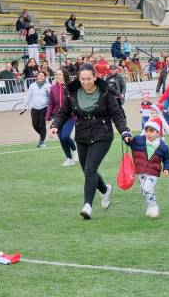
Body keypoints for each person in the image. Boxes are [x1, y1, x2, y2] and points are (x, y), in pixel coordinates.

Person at [49, 64, 132, 220]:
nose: (85, 82)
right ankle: (105, 189)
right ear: (78, 78)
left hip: (102, 135)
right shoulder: (72, 92)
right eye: (82, 79)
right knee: (87, 170)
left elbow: (117, 114)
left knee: (90, 169)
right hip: (82, 135)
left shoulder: (106, 93)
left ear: (95, 77)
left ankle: (87, 205)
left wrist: (124, 130)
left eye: (88, 78)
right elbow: (63, 112)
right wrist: (55, 125)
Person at [125, 118, 169, 218]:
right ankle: (150, 207)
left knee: (147, 188)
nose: (148, 133)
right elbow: (128, 140)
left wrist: (167, 168)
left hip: (153, 172)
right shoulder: (138, 140)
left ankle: (154, 206)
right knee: (144, 191)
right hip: (140, 172)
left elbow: (167, 159)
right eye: (146, 131)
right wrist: (126, 135)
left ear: (158, 133)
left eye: (151, 131)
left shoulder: (163, 146)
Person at [46, 71, 78, 167]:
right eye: (56, 74)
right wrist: (48, 116)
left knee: (65, 136)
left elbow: (75, 100)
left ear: (65, 76)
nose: (57, 76)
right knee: (61, 138)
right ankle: (69, 158)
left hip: (70, 116)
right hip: (58, 117)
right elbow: (51, 103)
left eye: (60, 74)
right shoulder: (53, 89)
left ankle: (75, 149)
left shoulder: (70, 87)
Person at [25, 70, 50, 148]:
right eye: (39, 75)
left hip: (44, 108)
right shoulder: (32, 85)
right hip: (34, 108)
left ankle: (42, 141)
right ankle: (43, 135)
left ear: (45, 77)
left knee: (42, 125)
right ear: (37, 76)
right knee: (35, 124)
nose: (40, 77)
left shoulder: (48, 85)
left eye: (42, 76)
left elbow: (51, 97)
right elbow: (28, 96)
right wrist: (24, 106)